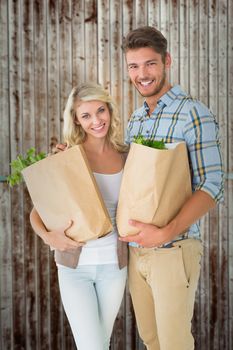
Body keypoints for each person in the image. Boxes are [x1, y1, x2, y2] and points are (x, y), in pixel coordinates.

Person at [119, 26, 224, 350]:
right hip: (136, 253)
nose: (142, 74)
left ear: (167, 61)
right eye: (134, 66)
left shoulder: (194, 113)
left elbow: (212, 185)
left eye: (150, 64)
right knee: (151, 340)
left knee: (174, 344)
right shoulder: (136, 119)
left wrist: (165, 232)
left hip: (173, 250)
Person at [30, 83, 128, 350]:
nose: (96, 121)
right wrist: (49, 236)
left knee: (100, 343)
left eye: (100, 111)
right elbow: (36, 213)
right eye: (86, 116)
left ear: (109, 110)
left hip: (114, 267)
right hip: (75, 269)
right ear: (75, 119)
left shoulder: (127, 155)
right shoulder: (67, 156)